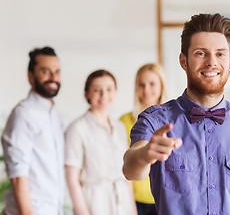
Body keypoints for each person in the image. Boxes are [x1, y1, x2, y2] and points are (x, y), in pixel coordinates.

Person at [123, 13, 230, 215]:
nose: (211, 62)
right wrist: (144, 154)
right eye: (201, 53)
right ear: (184, 61)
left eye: (220, 54)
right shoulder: (154, 120)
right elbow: (131, 169)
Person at [1, 46, 64, 215]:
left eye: (57, 71)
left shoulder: (55, 115)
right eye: (46, 71)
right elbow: (17, 176)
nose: (53, 77)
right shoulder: (23, 114)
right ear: (30, 76)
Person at [65, 69, 137, 215]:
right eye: (97, 90)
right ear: (87, 94)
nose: (104, 95)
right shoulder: (77, 128)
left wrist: (133, 209)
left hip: (123, 202)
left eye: (109, 89)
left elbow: (126, 173)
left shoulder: (119, 127)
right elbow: (72, 178)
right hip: (95, 203)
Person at [120, 63, 167, 215]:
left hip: (165, 199)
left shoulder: (173, 121)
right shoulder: (124, 122)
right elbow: (122, 165)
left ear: (161, 86)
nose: (146, 90)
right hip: (135, 201)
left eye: (152, 84)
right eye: (142, 84)